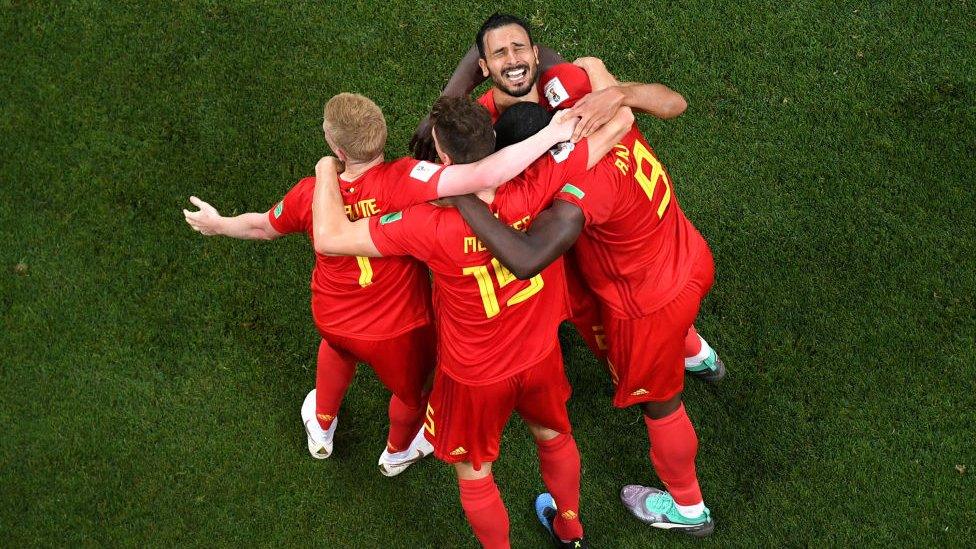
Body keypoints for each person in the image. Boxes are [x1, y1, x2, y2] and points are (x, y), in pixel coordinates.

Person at [183, 91, 586, 476]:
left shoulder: (311, 194)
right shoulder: (406, 179)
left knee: (336, 351)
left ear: (338, 150)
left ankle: (322, 426)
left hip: (333, 318)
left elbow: (261, 226)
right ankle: (397, 452)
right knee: (414, 395)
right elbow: (482, 174)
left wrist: (218, 224)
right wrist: (554, 133)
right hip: (397, 332)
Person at [310, 95, 633, 548]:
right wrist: (568, 130)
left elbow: (330, 236)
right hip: (538, 355)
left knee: (475, 472)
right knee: (554, 436)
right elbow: (620, 123)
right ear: (494, 142)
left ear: (443, 159)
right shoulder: (536, 184)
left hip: (474, 375)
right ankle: (570, 529)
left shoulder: (423, 224)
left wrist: (327, 169)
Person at [451, 62, 720, 536]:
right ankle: (698, 353)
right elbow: (581, 65)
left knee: (662, 405)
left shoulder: (575, 195)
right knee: (680, 324)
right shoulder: (599, 110)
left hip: (648, 309)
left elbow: (529, 256)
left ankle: (688, 506)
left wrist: (460, 192)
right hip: (686, 253)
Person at [411, 13, 723, 378]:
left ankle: (662, 354)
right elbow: (627, 121)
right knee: (631, 315)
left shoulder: (553, 142)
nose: (512, 60)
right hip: (659, 244)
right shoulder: (573, 95)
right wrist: (610, 87)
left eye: (520, 49)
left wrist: (456, 188)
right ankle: (690, 347)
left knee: (638, 363)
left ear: (535, 53)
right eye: (499, 55)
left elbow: (526, 255)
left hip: (621, 270)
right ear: (484, 65)